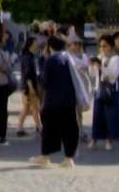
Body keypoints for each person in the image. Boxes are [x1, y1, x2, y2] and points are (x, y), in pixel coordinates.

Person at [30, 34, 83, 168]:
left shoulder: (51, 60)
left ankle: (45, 156)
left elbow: (45, 82)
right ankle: (69, 158)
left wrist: (38, 77)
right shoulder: (69, 58)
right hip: (69, 100)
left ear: (50, 46)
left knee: (49, 129)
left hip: (53, 100)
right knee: (70, 129)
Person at [91, 35, 119, 151]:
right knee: (97, 115)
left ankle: (109, 140)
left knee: (110, 116)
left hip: (111, 90)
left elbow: (113, 75)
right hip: (99, 89)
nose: (103, 49)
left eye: (105, 46)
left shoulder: (116, 59)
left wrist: (101, 67)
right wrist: (92, 65)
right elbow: (93, 75)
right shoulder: (99, 57)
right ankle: (94, 139)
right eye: (101, 46)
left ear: (111, 46)